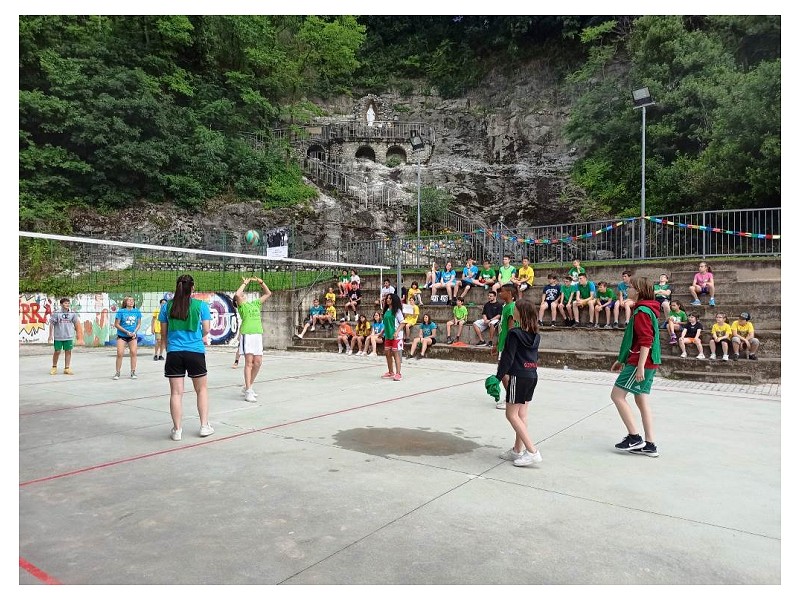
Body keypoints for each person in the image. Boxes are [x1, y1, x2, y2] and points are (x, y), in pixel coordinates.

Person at [609, 276, 662, 458]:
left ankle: (634, 437)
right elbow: (636, 340)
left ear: (638, 291)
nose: (627, 289)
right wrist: (622, 359)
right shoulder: (648, 309)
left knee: (617, 396)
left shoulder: (641, 312)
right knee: (641, 400)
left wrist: (639, 367)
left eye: (630, 287)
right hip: (647, 361)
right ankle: (650, 444)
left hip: (641, 362)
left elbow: (646, 341)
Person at [159, 274, 214, 441]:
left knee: (176, 393)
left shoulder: (167, 306)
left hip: (174, 352)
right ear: (193, 287)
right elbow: (206, 329)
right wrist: (196, 337)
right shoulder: (201, 305)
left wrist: (169, 348)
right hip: (195, 351)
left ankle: (177, 430)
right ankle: (204, 426)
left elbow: (163, 333)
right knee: (201, 390)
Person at [496, 297, 542, 467]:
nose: (513, 310)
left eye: (515, 308)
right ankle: (517, 450)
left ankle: (532, 452)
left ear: (521, 313)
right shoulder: (536, 335)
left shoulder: (514, 333)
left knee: (511, 415)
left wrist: (497, 377)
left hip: (518, 376)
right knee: (522, 414)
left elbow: (507, 358)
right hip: (532, 375)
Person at [233, 276, 272, 402]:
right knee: (249, 363)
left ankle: (247, 386)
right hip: (248, 335)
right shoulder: (242, 306)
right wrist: (245, 283)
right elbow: (237, 294)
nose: (243, 295)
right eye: (241, 295)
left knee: (258, 362)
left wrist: (262, 282)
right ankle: (248, 390)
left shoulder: (255, 303)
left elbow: (268, 293)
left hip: (257, 335)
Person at [48, 297, 84, 375]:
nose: (67, 304)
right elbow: (51, 324)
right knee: (57, 351)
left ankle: (67, 368)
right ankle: (54, 367)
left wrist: (78, 335)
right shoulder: (57, 313)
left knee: (68, 351)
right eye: (65, 303)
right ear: (61, 304)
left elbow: (76, 323)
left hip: (69, 336)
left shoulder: (72, 313)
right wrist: (50, 335)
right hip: (58, 336)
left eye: (68, 303)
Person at [113, 296, 142, 380]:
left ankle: (133, 372)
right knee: (120, 353)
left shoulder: (137, 311)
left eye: (132, 300)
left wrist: (134, 332)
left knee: (133, 352)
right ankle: (117, 372)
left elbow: (139, 324)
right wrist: (126, 332)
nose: (131, 302)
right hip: (122, 336)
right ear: (125, 302)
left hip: (132, 336)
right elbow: (116, 324)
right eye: (129, 300)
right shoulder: (121, 311)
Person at [381, 293, 405, 381]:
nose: (387, 300)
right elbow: (386, 324)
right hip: (388, 335)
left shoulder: (397, 311)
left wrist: (396, 332)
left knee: (396, 354)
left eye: (390, 298)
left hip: (396, 336)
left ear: (393, 300)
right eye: (387, 298)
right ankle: (391, 372)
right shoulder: (386, 310)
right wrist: (381, 333)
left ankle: (398, 374)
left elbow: (403, 323)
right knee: (387, 353)